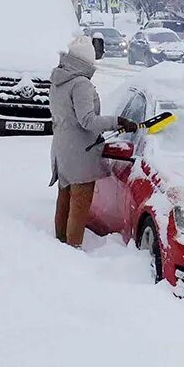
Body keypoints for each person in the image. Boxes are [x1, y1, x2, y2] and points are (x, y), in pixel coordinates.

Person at [48, 36, 137, 248]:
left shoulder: (59, 78)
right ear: (87, 59)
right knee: (79, 203)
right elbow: (87, 121)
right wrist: (118, 122)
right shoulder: (80, 84)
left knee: (65, 197)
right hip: (80, 152)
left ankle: (59, 243)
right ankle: (72, 248)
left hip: (62, 148)